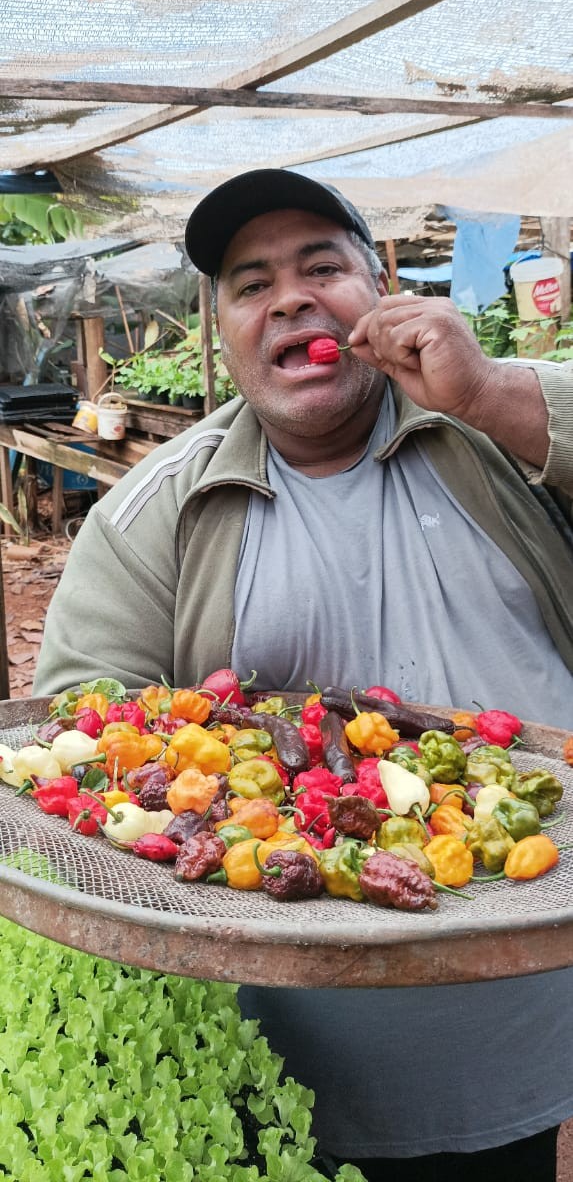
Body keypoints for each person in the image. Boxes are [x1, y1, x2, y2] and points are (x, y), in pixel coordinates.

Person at [35, 168, 573, 1181]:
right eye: (251, 283)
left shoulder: (499, 436)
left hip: (524, 1030)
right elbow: (73, 758)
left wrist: (493, 389)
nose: (289, 297)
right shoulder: (152, 513)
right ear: (222, 328)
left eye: (321, 266)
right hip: (283, 1068)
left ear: (383, 287)